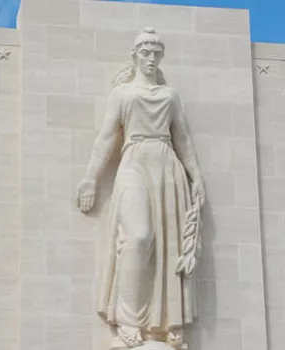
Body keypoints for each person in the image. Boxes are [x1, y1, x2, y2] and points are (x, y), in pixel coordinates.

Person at [76, 27, 207, 349]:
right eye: (145, 53)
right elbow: (106, 137)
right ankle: (128, 320)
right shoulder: (121, 94)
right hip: (133, 160)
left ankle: (163, 324)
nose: (151, 58)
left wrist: (197, 178)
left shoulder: (170, 96)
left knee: (167, 246)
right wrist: (91, 178)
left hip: (167, 165)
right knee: (139, 236)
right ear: (135, 56)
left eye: (156, 53)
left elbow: (184, 139)